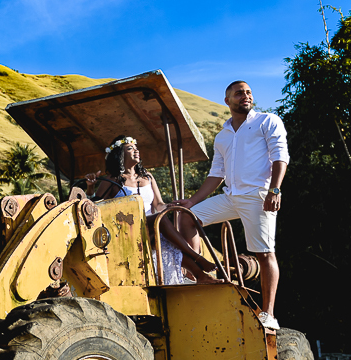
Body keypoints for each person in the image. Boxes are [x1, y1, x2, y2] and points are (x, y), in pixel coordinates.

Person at [177, 81, 288, 330]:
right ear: (227, 101)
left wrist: (275, 189)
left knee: (264, 253)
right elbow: (217, 174)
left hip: (258, 196)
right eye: (239, 93)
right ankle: (199, 276)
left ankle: (269, 314)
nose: (245, 96)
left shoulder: (267, 121)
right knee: (187, 216)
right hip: (230, 197)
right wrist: (192, 201)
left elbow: (280, 156)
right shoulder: (223, 136)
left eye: (248, 92)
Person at [85, 136, 219, 285]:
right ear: (119, 154)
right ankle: (196, 256)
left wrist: (170, 207)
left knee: (166, 240)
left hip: (150, 228)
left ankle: (201, 276)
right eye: (130, 148)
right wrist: (90, 188)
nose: (136, 150)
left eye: (136, 148)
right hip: (126, 229)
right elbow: (95, 205)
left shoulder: (147, 176)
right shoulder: (113, 179)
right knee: (160, 221)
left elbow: (159, 204)